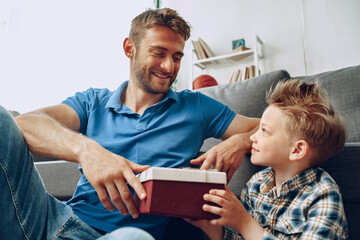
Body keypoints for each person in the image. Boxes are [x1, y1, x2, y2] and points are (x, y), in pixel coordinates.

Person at [0, 8, 259, 240]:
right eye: (159, 53)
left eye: (177, 57)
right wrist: (87, 151)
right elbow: (25, 123)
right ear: (129, 48)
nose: (169, 67)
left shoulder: (197, 107)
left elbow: (267, 127)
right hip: (53, 222)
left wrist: (240, 140)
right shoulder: (93, 101)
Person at [188, 79, 349, 239]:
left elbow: (248, 228)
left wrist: (243, 221)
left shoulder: (323, 195)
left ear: (297, 150)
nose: (252, 136)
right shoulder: (256, 184)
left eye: (264, 130)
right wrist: (214, 230)